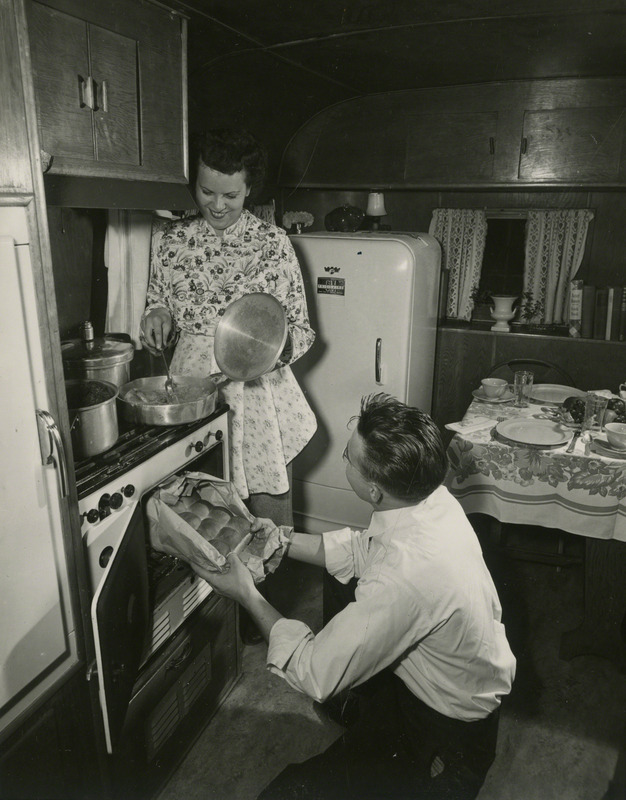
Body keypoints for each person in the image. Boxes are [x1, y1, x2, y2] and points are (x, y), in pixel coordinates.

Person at [192, 393, 517, 799]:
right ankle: (366, 715)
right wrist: (280, 539)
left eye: (348, 458)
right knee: (344, 589)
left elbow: (312, 670)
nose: (343, 462)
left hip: (448, 730)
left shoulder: (404, 578)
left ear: (376, 491)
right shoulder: (431, 496)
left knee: (289, 792)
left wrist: (245, 593)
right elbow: (367, 549)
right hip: (435, 681)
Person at [140, 128, 317, 528]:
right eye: (206, 191)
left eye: (231, 196)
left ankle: (260, 588)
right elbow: (159, 300)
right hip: (191, 390)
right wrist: (157, 314)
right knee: (201, 513)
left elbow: (302, 330)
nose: (217, 205)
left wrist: (262, 354)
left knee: (264, 520)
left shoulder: (273, 244)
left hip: (257, 395)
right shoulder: (170, 239)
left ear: (249, 190)